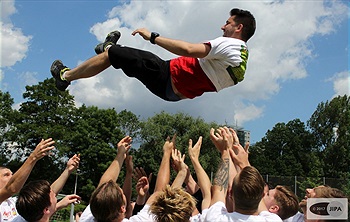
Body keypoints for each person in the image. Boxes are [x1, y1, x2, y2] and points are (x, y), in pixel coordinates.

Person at [51, 8, 256, 101]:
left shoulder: (231, 46)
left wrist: (152, 36)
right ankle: (110, 49)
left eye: (228, 23)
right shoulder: (240, 68)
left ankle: (65, 76)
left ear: (238, 28)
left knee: (112, 55)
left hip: (166, 75)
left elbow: (188, 50)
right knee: (121, 55)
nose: (222, 26)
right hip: (171, 87)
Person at [205, 127, 282, 222]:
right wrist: (243, 162)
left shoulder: (215, 218)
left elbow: (218, 189)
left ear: (231, 193)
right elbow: (218, 190)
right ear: (262, 195)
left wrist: (225, 151)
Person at [0, 138, 55, 221]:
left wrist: (67, 170)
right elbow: (11, 188)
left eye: (12, 174)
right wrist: (33, 157)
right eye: (6, 175)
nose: (12, 177)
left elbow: (47, 196)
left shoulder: (15, 202)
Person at [13, 180, 81, 222]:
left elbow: (43, 213)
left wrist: (59, 205)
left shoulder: (22, 217)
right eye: (54, 196)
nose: (55, 194)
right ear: (46, 209)